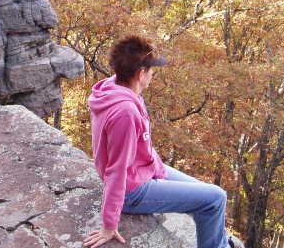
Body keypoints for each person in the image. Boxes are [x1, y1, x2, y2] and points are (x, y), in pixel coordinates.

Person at [83, 36, 243, 248]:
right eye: (151, 71)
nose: (152, 75)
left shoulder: (112, 86)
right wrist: (109, 224)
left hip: (145, 168)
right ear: (141, 74)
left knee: (209, 194)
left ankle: (221, 242)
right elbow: (117, 170)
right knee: (216, 198)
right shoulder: (125, 112)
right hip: (133, 190)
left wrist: (157, 169)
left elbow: (141, 147)